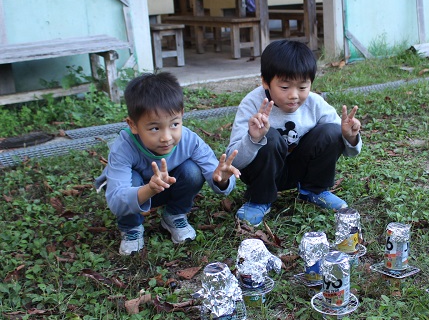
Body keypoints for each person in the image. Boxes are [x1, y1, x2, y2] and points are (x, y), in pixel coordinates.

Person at [95, 72, 240, 255]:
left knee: (192, 171)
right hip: (138, 191)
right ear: (133, 125)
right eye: (155, 128)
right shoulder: (123, 147)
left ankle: (174, 214)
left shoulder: (190, 140)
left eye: (174, 124)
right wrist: (149, 188)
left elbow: (213, 171)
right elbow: (116, 200)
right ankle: (131, 227)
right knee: (132, 178)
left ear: (181, 116)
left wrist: (222, 179)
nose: (166, 137)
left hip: (168, 187)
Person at [226, 40, 362, 226]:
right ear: (265, 82)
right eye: (284, 87)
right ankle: (260, 199)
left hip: (300, 168)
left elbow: (350, 151)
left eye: (302, 87)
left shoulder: (315, 103)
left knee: (332, 130)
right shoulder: (252, 104)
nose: (294, 95)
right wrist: (253, 138)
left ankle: (314, 190)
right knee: (269, 137)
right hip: (264, 171)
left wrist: (349, 136)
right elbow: (235, 161)